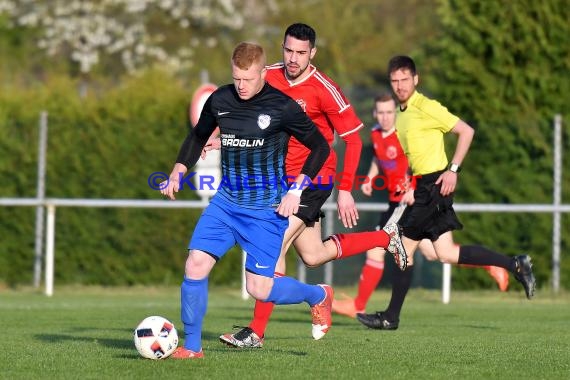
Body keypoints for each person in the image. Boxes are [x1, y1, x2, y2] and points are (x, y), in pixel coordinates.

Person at [214, 23, 407, 348]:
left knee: (271, 245)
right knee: (314, 255)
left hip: (313, 180)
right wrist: (218, 136)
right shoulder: (267, 75)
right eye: (288, 50)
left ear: (312, 53)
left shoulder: (323, 89)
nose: (293, 58)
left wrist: (345, 190)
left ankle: (256, 332)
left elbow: (354, 141)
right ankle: (384, 239)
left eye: (301, 52)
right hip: (276, 182)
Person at [161, 42, 336, 359]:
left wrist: (296, 190)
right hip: (225, 204)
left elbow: (321, 147)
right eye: (237, 78)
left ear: (262, 73)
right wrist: (178, 170)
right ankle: (192, 347)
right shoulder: (221, 99)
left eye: (249, 79)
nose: (241, 86)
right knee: (195, 264)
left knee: (260, 289)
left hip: (265, 211)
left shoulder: (282, 106)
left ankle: (317, 294)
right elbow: (199, 135)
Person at [356, 56, 536, 330]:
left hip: (434, 186)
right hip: (423, 185)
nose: (400, 85)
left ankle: (390, 317)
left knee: (402, 249)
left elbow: (466, 131)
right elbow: (412, 156)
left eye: (405, 79)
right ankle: (516, 264)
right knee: (446, 253)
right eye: (395, 80)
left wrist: (453, 169)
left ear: (416, 80)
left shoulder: (427, 107)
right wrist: (405, 179)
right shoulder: (401, 115)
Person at [332, 94, 509, 319]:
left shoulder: (404, 134)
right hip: (396, 202)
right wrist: (370, 176)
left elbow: (420, 164)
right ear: (375, 114)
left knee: (376, 248)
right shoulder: (376, 133)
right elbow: (379, 157)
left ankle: (358, 305)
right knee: (437, 253)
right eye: (381, 113)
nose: (386, 117)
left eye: (390, 112)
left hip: (407, 202)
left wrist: (413, 190)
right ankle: (489, 263)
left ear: (395, 113)